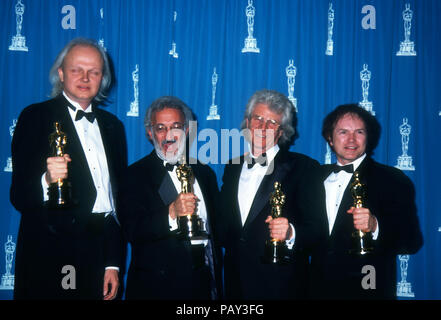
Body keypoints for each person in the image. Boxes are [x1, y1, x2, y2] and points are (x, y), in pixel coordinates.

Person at [10, 38, 128, 300]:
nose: (85, 77)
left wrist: (112, 263)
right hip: (50, 252)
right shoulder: (35, 117)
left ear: (102, 78)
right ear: (61, 74)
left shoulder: (114, 127)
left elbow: (113, 205)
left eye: (94, 71)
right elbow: (18, 195)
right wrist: (46, 180)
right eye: (77, 69)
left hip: (99, 253)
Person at [309, 103, 423, 299]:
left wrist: (375, 226)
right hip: (316, 290)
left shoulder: (393, 179)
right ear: (329, 138)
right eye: (343, 132)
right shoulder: (313, 178)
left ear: (368, 137)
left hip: (368, 289)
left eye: (359, 132)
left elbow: (411, 241)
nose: (351, 139)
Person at [218, 89, 321, 299]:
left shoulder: (304, 168)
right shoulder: (232, 167)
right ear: (247, 123)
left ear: (282, 132)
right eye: (257, 118)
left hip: (281, 286)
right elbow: (225, 225)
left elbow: (318, 230)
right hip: (235, 284)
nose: (262, 127)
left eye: (272, 123)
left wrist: (291, 233)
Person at [118, 96, 221, 300]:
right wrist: (171, 213)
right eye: (160, 128)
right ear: (150, 133)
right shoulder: (135, 175)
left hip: (203, 285)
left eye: (175, 126)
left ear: (187, 130)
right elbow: (132, 230)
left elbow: (218, 229)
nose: (169, 136)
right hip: (157, 288)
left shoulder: (205, 173)